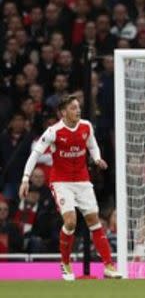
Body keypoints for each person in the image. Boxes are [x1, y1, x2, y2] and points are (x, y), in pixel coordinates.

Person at [18, 95, 121, 281]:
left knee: (94, 220)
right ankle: (65, 264)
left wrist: (97, 158)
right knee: (71, 221)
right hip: (61, 181)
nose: (78, 110)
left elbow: (93, 146)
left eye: (78, 107)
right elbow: (34, 155)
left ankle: (108, 266)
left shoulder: (86, 126)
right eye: (73, 108)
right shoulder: (53, 131)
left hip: (82, 180)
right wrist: (25, 179)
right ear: (63, 112)